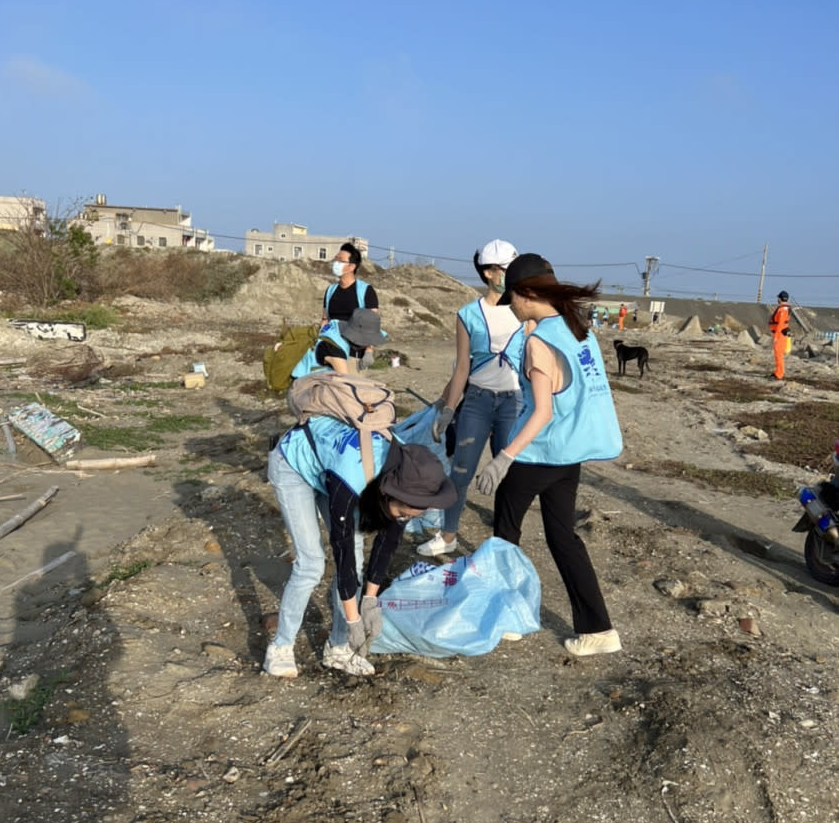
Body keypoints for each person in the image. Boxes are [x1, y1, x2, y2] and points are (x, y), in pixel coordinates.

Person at [475, 254, 623, 657]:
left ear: (527, 294)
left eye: (514, 300)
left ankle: (510, 619)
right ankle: (598, 630)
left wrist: (503, 457)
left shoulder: (540, 342)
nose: (512, 307)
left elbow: (540, 411)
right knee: (563, 537)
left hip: (536, 454)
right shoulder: (578, 330)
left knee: (505, 534)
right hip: (569, 454)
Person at [265, 429, 457, 678]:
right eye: (402, 513)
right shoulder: (353, 478)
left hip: (331, 469)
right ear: (388, 495)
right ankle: (280, 646)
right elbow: (341, 549)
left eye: (411, 517)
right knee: (312, 564)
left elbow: (387, 543)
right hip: (294, 463)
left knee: (356, 563)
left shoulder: (411, 478)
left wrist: (370, 600)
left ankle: (338, 647)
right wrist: (354, 619)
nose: (403, 519)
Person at [417, 239, 527, 557]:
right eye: (507, 269)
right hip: (477, 400)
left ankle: (506, 544)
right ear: (491, 272)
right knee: (462, 470)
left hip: (514, 402)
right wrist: (448, 407)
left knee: (507, 474)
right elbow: (462, 366)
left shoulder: (524, 310)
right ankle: (448, 535)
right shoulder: (468, 314)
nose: (512, 275)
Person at [322, 241, 379, 369]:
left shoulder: (365, 291)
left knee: (351, 388)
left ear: (351, 267)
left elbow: (372, 326)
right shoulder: (330, 290)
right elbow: (325, 320)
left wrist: (369, 352)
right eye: (336, 260)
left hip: (354, 356)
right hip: (331, 353)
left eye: (341, 261)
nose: (336, 264)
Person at [291, 307, 386, 381]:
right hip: (302, 387)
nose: (370, 343)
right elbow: (347, 383)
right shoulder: (334, 350)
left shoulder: (336, 326)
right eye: (368, 340)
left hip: (312, 377)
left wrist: (369, 351)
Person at [768, 290, 791, 381]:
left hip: (779, 334)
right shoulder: (785, 308)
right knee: (778, 355)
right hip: (781, 333)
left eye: (778, 298)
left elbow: (780, 324)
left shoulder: (782, 309)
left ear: (780, 298)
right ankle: (778, 372)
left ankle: (779, 374)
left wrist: (776, 337)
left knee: (779, 355)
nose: (777, 299)